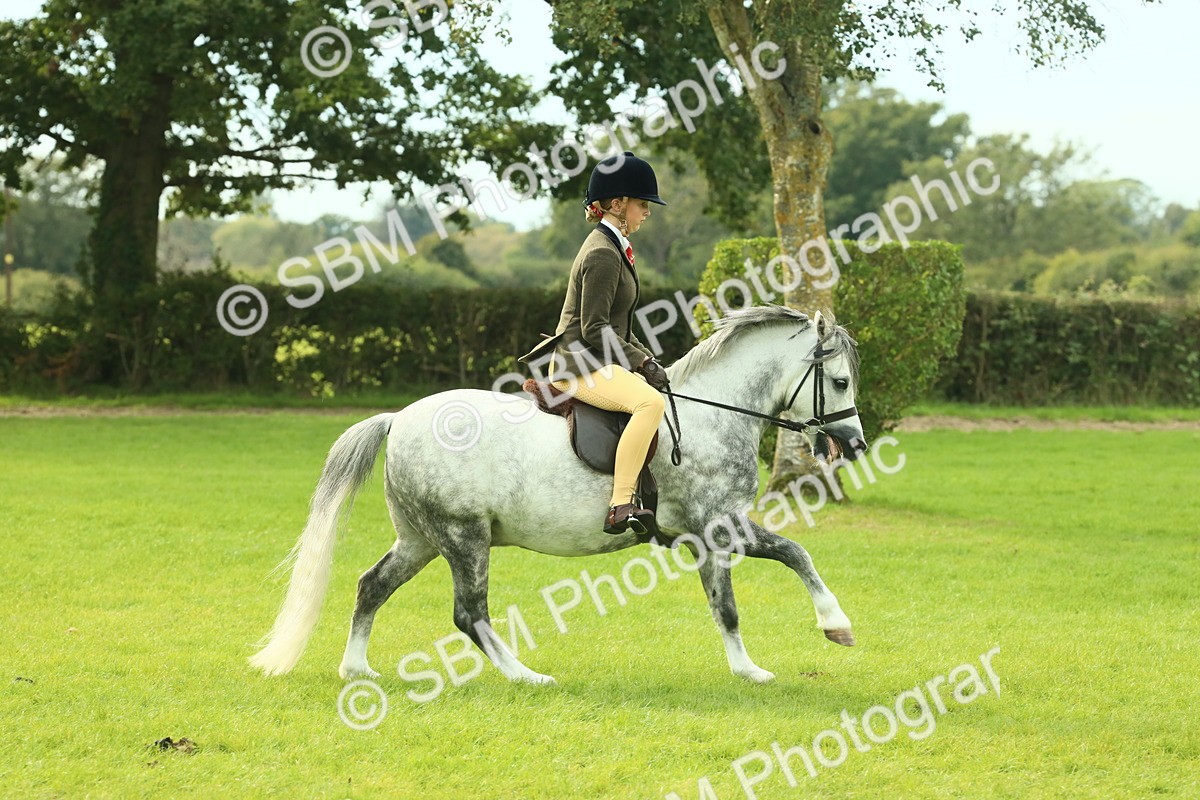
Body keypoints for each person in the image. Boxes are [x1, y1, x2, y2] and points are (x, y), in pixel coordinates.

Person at [518, 151, 671, 535]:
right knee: (649, 402)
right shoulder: (603, 252)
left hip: (597, 359)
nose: (646, 212)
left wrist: (645, 358)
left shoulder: (615, 246)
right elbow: (594, 328)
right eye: (641, 204)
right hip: (579, 364)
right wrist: (638, 363)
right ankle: (620, 504)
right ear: (617, 204)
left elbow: (618, 325)